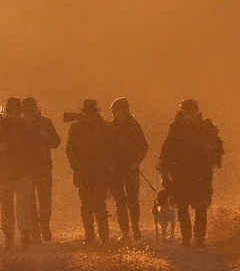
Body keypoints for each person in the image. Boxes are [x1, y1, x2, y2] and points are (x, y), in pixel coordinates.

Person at [157, 98, 223, 247]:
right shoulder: (176, 128)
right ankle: (186, 237)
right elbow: (166, 149)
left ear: (196, 112)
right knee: (182, 206)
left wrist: (211, 148)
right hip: (181, 174)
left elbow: (218, 146)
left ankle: (199, 238)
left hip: (201, 174)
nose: (189, 115)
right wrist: (163, 169)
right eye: (186, 112)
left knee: (201, 207)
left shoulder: (206, 127)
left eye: (192, 112)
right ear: (183, 112)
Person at [0, 95, 40, 248]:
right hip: (4, 172)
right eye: (12, 111)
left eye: (17, 111)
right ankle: (9, 236)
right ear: (8, 111)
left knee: (22, 205)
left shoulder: (27, 126)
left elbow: (36, 148)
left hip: (23, 172)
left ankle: (25, 235)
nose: (15, 114)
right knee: (7, 206)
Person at [63, 98, 117, 245]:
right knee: (86, 205)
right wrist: (76, 168)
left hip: (100, 172)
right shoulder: (78, 128)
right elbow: (70, 150)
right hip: (83, 172)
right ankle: (90, 236)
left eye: (91, 112)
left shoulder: (104, 127)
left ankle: (104, 237)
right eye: (87, 112)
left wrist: (108, 169)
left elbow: (111, 150)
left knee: (99, 204)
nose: (89, 114)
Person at [108, 97, 149, 242]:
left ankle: (136, 229)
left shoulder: (134, 126)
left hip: (131, 169)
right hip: (115, 170)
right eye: (113, 111)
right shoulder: (110, 127)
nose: (114, 114)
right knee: (120, 201)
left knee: (132, 201)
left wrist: (137, 162)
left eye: (116, 111)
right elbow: (105, 148)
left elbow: (143, 146)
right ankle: (125, 232)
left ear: (124, 111)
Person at [21, 96, 61, 242]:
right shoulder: (20, 125)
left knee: (45, 199)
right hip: (26, 169)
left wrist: (46, 137)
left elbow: (56, 142)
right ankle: (35, 229)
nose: (29, 111)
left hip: (43, 167)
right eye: (27, 109)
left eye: (31, 108)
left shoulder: (45, 122)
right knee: (30, 200)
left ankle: (44, 225)